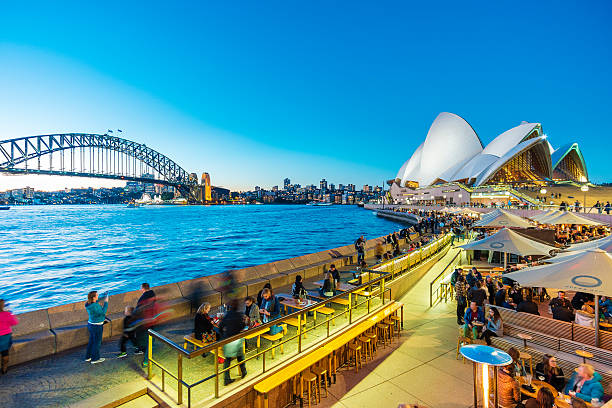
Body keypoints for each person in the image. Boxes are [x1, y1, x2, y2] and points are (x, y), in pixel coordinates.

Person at [218, 299, 247, 385]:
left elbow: (220, 326)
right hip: (236, 339)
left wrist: (223, 335)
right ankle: (243, 372)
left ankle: (226, 379)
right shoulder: (239, 315)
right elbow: (242, 326)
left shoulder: (227, 315)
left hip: (227, 339)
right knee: (240, 357)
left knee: (227, 360)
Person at [85, 290, 108, 364]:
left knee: (91, 341)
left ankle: (88, 357)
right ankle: (95, 359)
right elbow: (103, 312)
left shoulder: (88, 304)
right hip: (97, 326)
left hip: (90, 324)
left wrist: (104, 295)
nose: (98, 296)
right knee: (97, 343)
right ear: (94, 297)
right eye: (97, 295)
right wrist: (106, 302)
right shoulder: (96, 305)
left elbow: (96, 302)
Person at [0, 299, 18, 374]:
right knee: (5, 352)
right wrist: (11, 314)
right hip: (5, 336)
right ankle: (4, 368)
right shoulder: (7, 314)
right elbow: (15, 322)